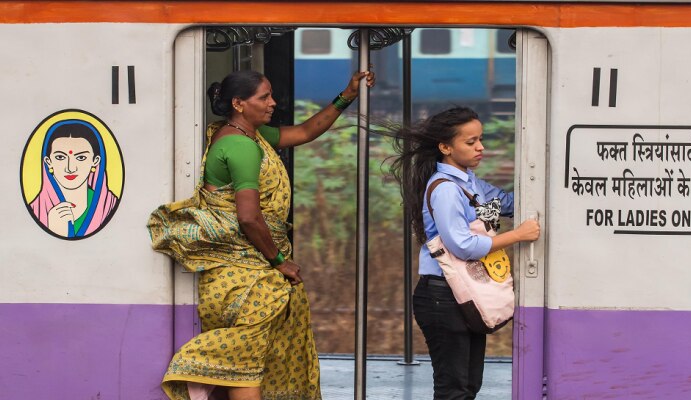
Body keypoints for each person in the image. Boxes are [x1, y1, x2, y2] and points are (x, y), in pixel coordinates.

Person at [147, 68, 374, 400]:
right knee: (244, 368)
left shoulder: (248, 135)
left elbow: (306, 131)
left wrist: (347, 95)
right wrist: (280, 261)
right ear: (239, 103)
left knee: (244, 365)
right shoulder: (242, 147)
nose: (273, 102)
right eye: (263, 97)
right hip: (245, 277)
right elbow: (250, 217)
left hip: (236, 275)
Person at [389, 107, 540, 400]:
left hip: (463, 294)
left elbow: (503, 204)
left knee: (468, 385)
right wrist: (517, 236)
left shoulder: (471, 185)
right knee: (454, 389)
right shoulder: (445, 189)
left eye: (480, 140)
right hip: (442, 296)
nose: (480, 147)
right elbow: (462, 246)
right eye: (470, 142)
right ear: (445, 147)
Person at [30, 120, 118, 238]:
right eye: (60, 157)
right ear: (48, 162)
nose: (70, 168)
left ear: (95, 161)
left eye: (81, 157)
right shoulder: (36, 209)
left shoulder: (109, 206)